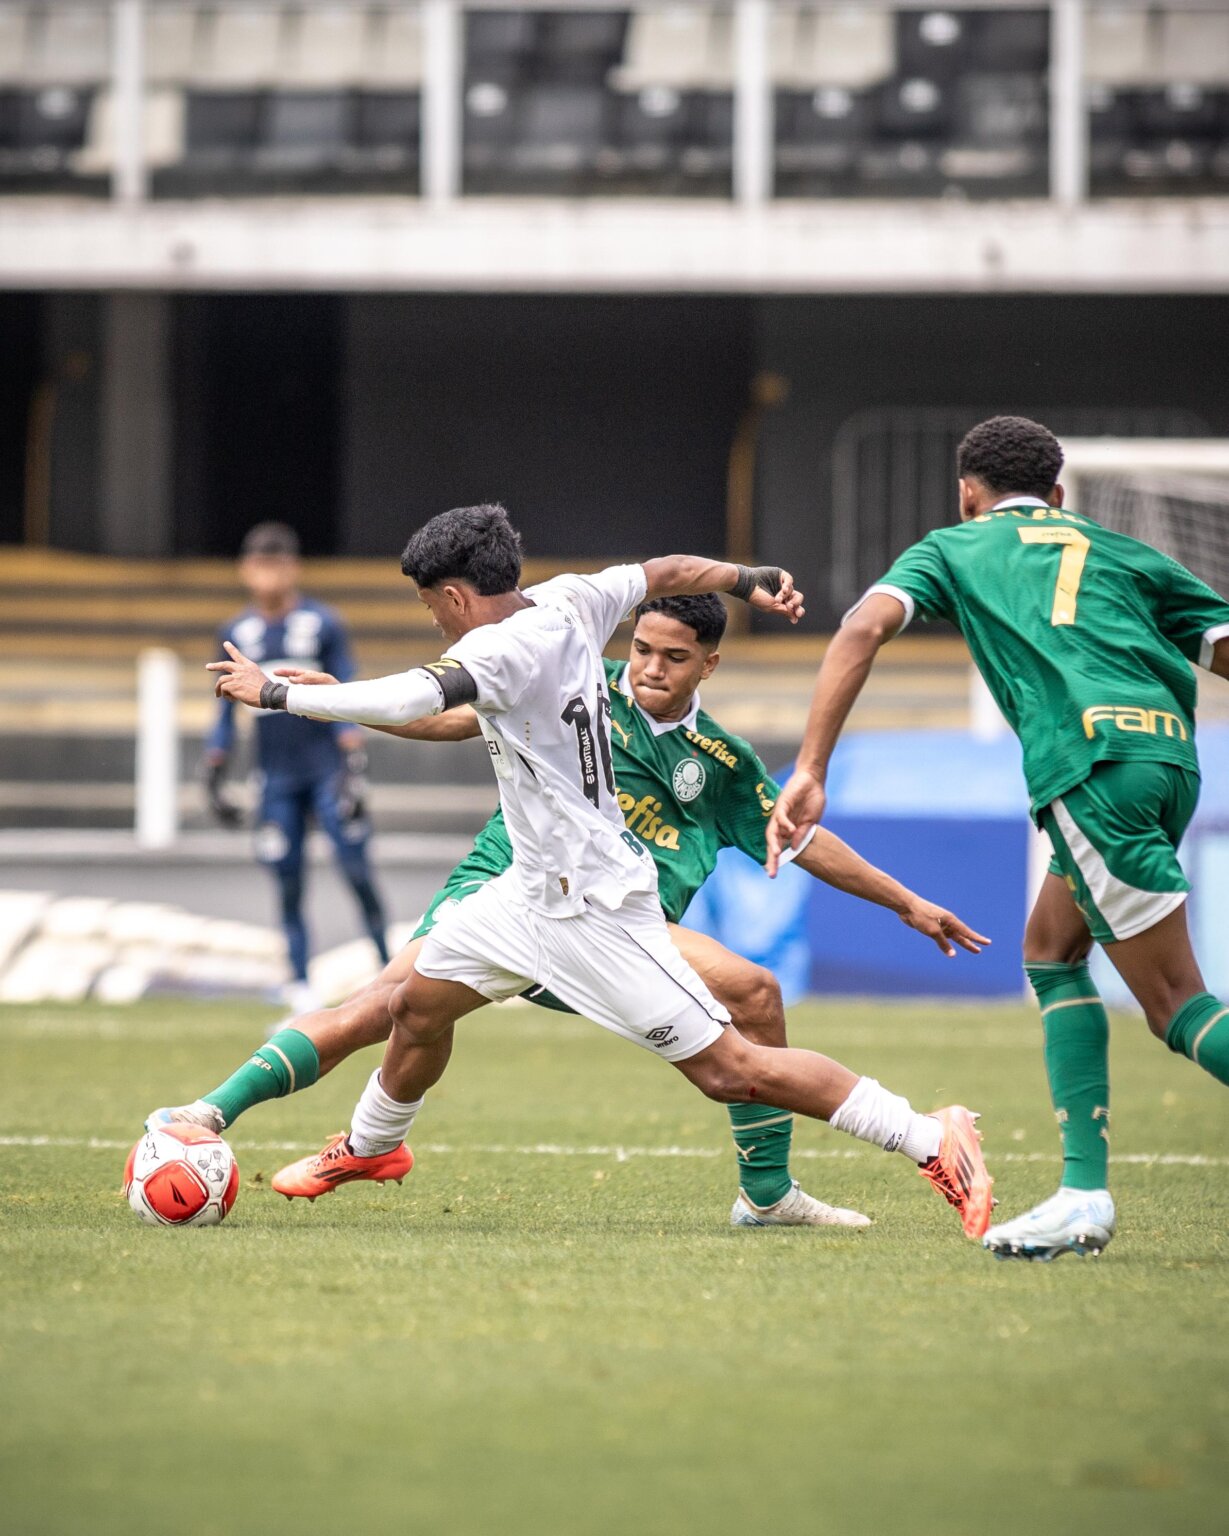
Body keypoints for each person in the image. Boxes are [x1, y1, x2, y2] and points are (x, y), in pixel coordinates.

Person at [205, 504, 994, 1239]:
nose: (650, 666)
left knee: (730, 1070)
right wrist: (746, 577)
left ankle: (929, 1137)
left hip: (592, 907)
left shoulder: (502, 649)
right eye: (644, 649)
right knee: (409, 1002)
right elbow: (666, 570)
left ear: (452, 594)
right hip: (521, 890)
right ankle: (265, 1128)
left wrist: (275, 693)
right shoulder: (573, 598)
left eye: (429, 606)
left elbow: (416, 693)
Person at [767, 415, 1229, 1262]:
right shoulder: (1125, 552)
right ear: (1057, 493)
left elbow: (861, 628)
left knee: (1175, 1004)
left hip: (1091, 769)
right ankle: (1081, 1195)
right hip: (1169, 763)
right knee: (1050, 953)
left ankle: (1083, 1197)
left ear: (966, 494)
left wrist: (810, 768)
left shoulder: (953, 547)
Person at [205, 521, 391, 1012]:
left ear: (293, 568)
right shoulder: (236, 633)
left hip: (326, 771)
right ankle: (301, 984)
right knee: (286, 879)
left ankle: (389, 969)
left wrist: (353, 764)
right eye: (259, 565)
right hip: (276, 778)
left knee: (356, 870)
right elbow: (223, 707)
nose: (268, 576)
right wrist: (215, 769)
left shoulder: (322, 623)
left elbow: (346, 691)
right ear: (245, 570)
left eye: (277, 565)